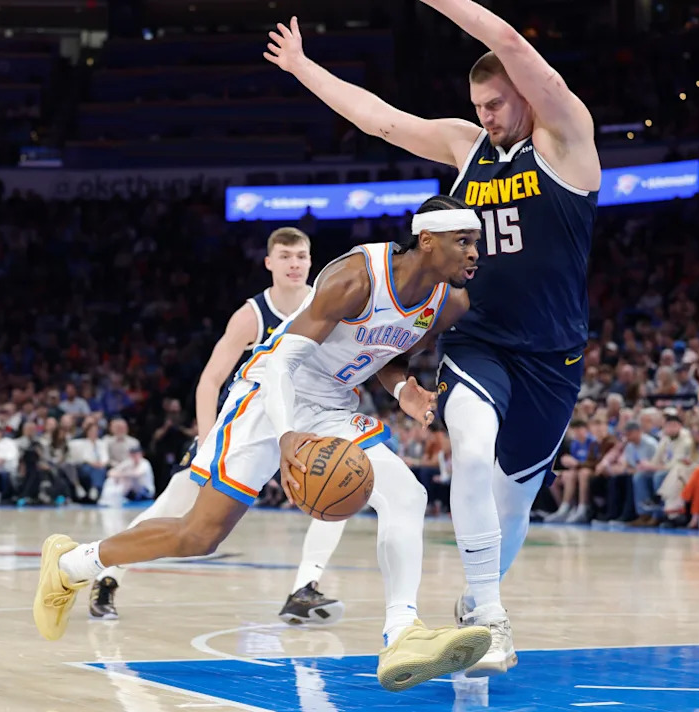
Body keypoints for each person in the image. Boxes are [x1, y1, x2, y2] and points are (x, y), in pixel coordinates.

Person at [34, 197, 493, 692]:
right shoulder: (357, 276)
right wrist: (287, 433)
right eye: (463, 241)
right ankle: (71, 565)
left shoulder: (450, 303)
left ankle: (402, 633)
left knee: (407, 495)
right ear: (427, 241)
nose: (475, 253)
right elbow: (280, 365)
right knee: (199, 535)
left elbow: (389, 352)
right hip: (269, 392)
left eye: (476, 242)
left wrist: (403, 390)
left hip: (331, 404)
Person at [265, 0, 599, 674]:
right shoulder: (464, 145)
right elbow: (378, 119)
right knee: (470, 452)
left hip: (553, 355)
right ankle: (493, 618)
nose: (487, 116)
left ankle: (478, 601)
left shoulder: (565, 139)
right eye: (479, 106)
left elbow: (508, 36)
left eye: (497, 103)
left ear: (524, 94)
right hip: (477, 342)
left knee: (513, 507)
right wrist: (302, 67)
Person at [88, 228, 348, 627]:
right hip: (245, 426)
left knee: (339, 489)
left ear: (311, 261)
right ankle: (106, 575)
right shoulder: (252, 315)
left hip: (300, 425)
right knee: (173, 506)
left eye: (300, 256)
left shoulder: (328, 304)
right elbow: (210, 381)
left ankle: (304, 589)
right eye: (285, 256)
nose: (294, 264)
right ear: (269, 262)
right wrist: (208, 438)